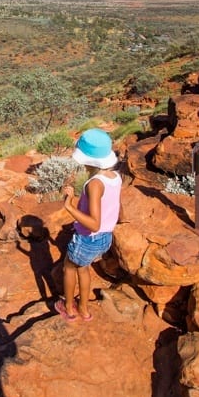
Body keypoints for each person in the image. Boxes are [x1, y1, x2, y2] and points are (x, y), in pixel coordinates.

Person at [55, 128, 122, 322]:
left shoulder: (94, 184)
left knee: (69, 267)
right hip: (106, 238)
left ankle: (69, 307)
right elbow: (113, 206)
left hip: (88, 238)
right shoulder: (115, 178)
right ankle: (84, 310)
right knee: (83, 268)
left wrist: (69, 205)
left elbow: (93, 223)